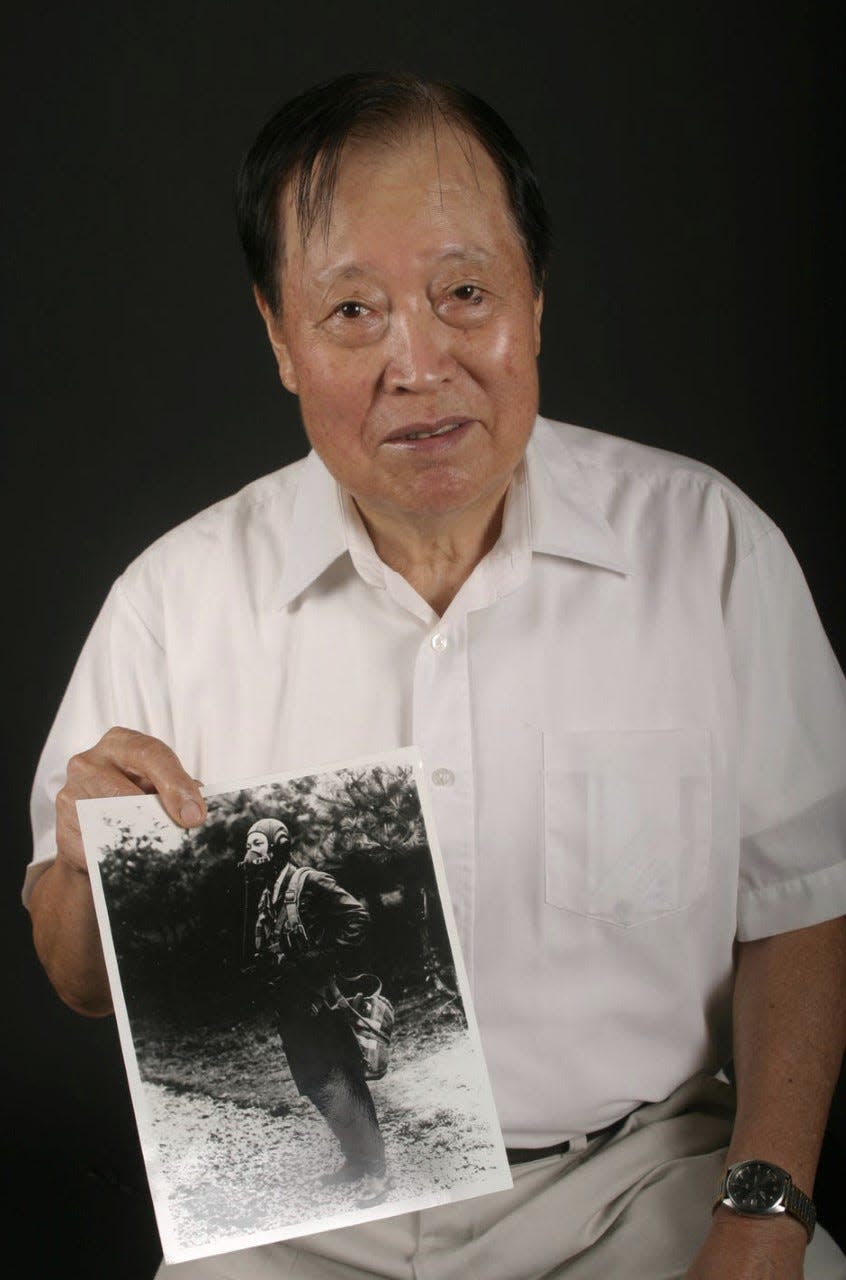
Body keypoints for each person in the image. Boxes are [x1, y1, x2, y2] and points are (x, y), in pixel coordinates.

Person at [24, 70, 846, 1279]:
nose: (419, 361)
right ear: (279, 336)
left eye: (464, 292)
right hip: (299, 1222)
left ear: (535, 298)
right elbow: (74, 976)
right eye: (351, 311)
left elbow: (803, 907)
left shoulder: (713, 552)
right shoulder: (171, 600)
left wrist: (764, 1207)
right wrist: (89, 875)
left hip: (628, 1187)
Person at [239, 816, 390, 1206]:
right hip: (291, 1013)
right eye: (248, 846)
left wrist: (320, 960)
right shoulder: (265, 897)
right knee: (315, 1084)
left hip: (322, 1004)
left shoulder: (309, 881)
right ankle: (355, 1158)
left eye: (257, 844)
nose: (250, 852)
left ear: (279, 844)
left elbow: (357, 916)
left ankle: (378, 1171)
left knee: (346, 1082)